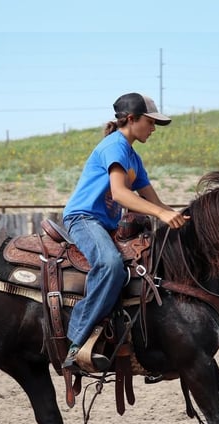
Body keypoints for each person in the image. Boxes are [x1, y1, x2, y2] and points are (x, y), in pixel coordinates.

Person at [61, 92, 189, 373]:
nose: (153, 129)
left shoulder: (133, 157)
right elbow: (119, 194)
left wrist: (181, 218)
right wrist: (160, 214)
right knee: (109, 265)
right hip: (83, 219)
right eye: (150, 122)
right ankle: (76, 341)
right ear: (131, 119)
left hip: (104, 225)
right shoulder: (114, 146)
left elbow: (154, 202)